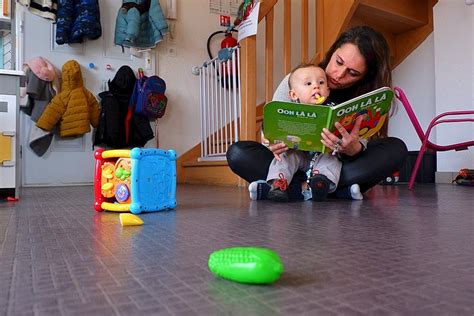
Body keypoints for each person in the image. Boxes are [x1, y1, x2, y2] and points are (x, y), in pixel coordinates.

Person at [227, 25, 408, 201]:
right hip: (292, 159)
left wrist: (354, 149)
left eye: (352, 73)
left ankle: (294, 190)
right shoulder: (298, 79)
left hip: (333, 162)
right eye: (338, 62)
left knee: (396, 149)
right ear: (332, 52)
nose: (338, 75)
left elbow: (363, 141)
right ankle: (332, 191)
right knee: (238, 153)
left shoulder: (364, 98)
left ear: (364, 77)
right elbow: (273, 125)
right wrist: (272, 141)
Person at [261, 63, 361, 202]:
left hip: (323, 154)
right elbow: (273, 128)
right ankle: (278, 184)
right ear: (293, 94)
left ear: (327, 90)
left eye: (321, 82)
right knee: (284, 157)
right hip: (297, 153)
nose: (316, 86)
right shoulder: (289, 109)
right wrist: (273, 140)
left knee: (332, 158)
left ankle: (320, 183)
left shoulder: (333, 109)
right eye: (308, 83)